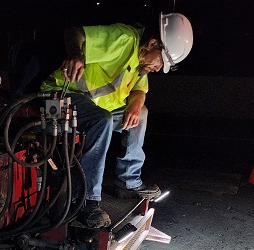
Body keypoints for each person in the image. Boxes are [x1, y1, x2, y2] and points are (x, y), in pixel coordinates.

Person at [41, 13, 193, 228]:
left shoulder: (141, 61)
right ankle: (87, 201)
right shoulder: (124, 40)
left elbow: (140, 89)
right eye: (161, 61)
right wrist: (76, 55)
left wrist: (136, 103)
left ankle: (128, 181)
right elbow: (74, 32)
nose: (159, 68)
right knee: (100, 120)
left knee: (140, 114)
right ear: (151, 44)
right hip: (56, 98)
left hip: (92, 108)